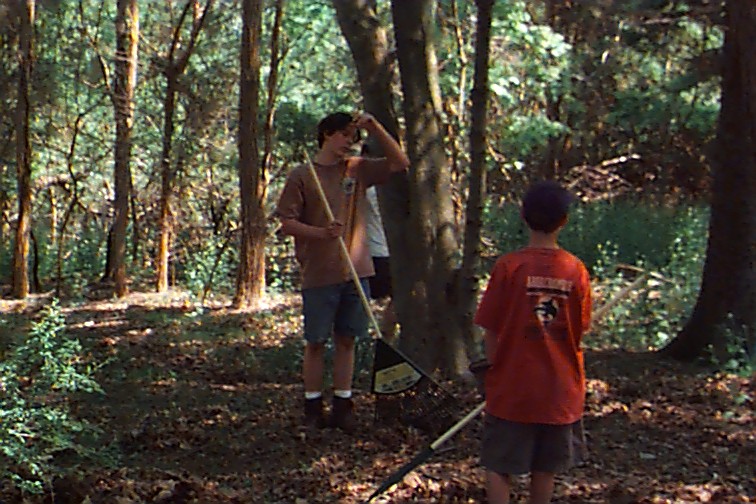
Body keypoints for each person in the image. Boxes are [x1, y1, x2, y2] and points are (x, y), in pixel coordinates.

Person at [275, 111, 409, 433]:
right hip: (319, 272)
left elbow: (400, 162)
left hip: (356, 271)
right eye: (345, 135)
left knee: (347, 340)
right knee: (316, 342)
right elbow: (286, 222)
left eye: (354, 137)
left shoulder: (357, 169)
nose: (350, 142)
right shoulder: (302, 175)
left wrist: (375, 126)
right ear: (327, 134)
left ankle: (343, 405)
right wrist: (320, 233)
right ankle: (312, 406)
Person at [473, 181, 592, 504]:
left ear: (523, 216)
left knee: (498, 465)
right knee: (545, 468)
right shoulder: (576, 270)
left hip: (513, 388)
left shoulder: (508, 266)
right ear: (564, 220)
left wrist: (493, 372)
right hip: (559, 390)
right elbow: (581, 329)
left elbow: (490, 329)